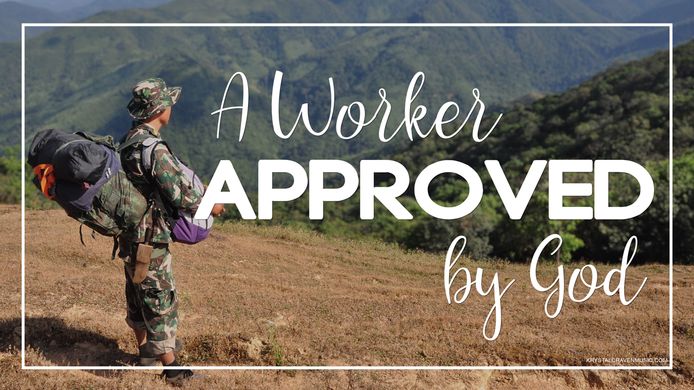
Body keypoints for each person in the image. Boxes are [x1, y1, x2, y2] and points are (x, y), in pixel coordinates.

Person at [118, 78, 224, 385]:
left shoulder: (128, 141)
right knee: (158, 295)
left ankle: (145, 353)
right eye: (169, 104)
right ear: (161, 109)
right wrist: (211, 206)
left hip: (129, 230)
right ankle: (172, 367)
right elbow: (178, 193)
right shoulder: (154, 148)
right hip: (151, 233)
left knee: (137, 290)